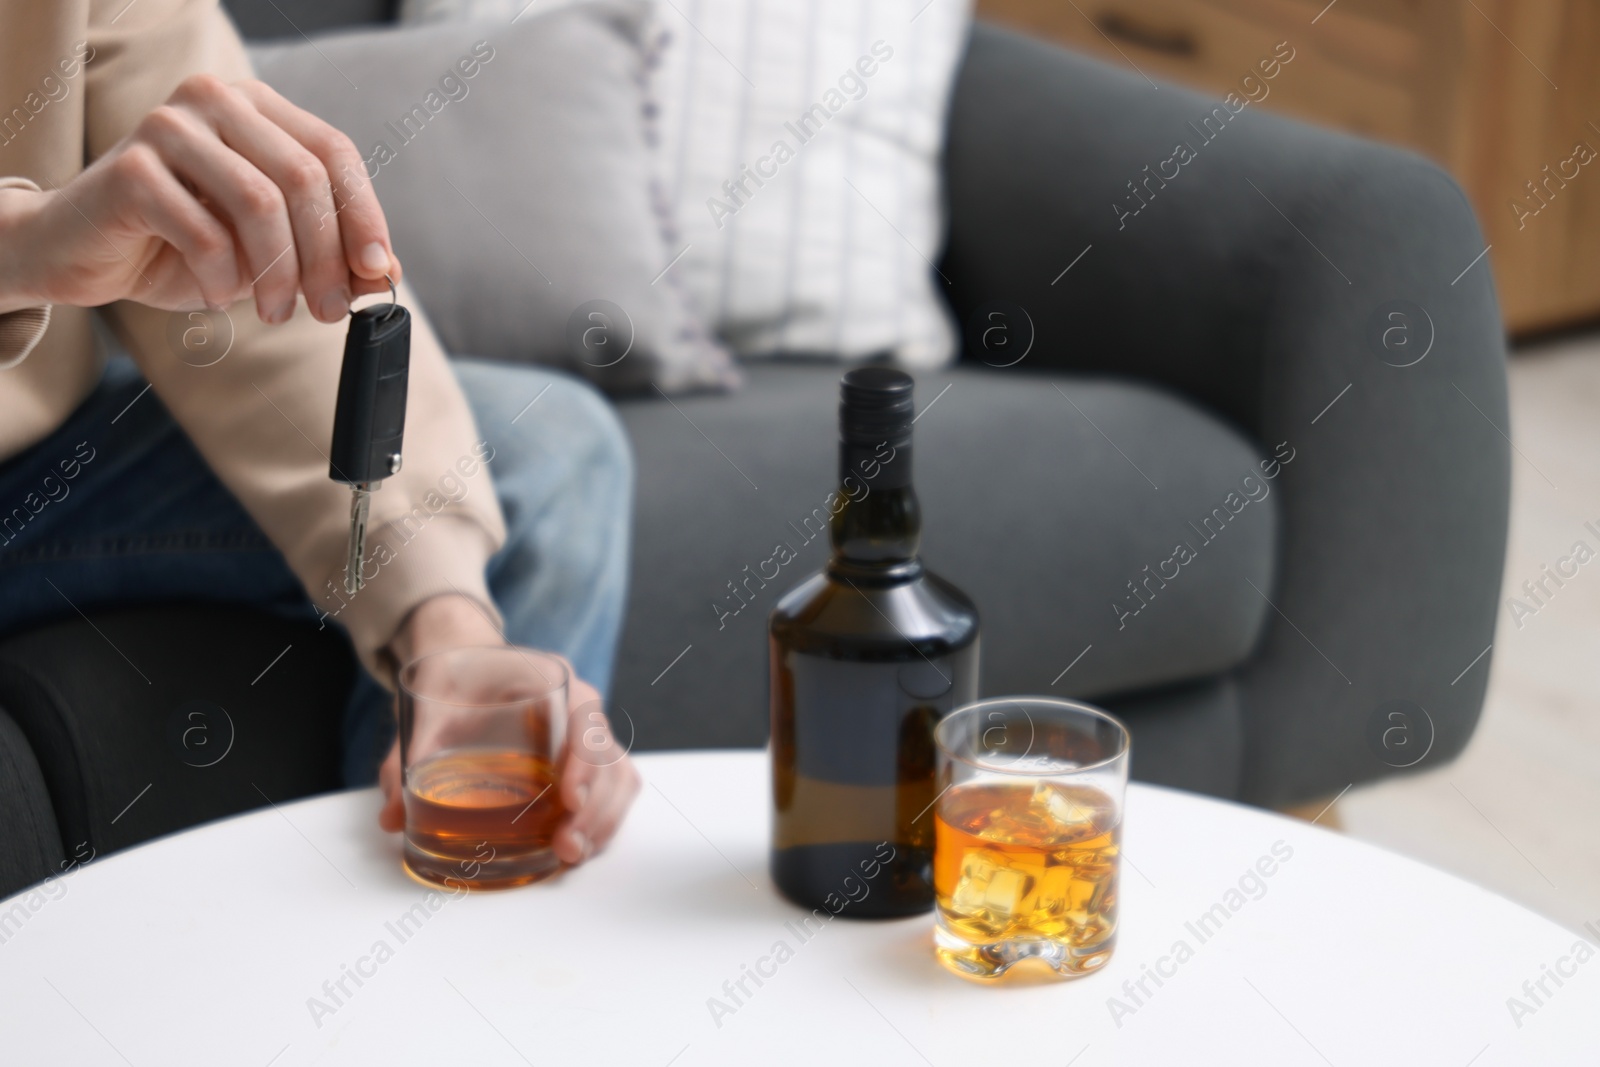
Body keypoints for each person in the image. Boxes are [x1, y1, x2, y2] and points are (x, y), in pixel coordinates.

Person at [0, 0, 639, 864]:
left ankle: (453, 930)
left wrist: (445, 630)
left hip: (37, 457)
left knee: (544, 451)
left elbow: (252, 282)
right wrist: (26, 244)